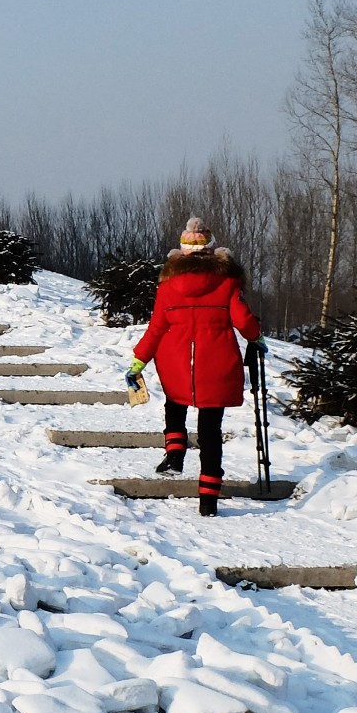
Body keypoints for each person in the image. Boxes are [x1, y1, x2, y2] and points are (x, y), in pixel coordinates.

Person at [126, 217, 264, 517]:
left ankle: (175, 455)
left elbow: (156, 328)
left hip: (176, 362)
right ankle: (208, 499)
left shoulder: (168, 286)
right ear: (212, 250)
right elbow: (243, 321)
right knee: (211, 431)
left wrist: (139, 361)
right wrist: (257, 337)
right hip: (217, 364)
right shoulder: (227, 282)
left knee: (175, 405)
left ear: (182, 252)